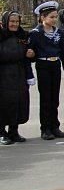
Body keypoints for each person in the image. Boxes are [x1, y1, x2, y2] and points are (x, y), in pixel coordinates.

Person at [28, 1, 64, 140]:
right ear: (43, 18)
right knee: (46, 98)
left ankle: (55, 126)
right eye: (51, 17)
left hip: (55, 65)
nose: (54, 20)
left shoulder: (58, 33)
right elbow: (30, 53)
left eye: (55, 17)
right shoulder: (36, 34)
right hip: (43, 66)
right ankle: (45, 128)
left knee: (55, 98)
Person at [0, 11, 35, 145]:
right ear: (5, 22)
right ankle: (2, 132)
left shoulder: (23, 36)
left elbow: (30, 54)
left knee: (19, 102)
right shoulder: (1, 36)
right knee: (4, 104)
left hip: (20, 74)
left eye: (17, 22)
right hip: (4, 74)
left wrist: (31, 54)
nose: (14, 24)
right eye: (12, 21)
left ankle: (14, 130)